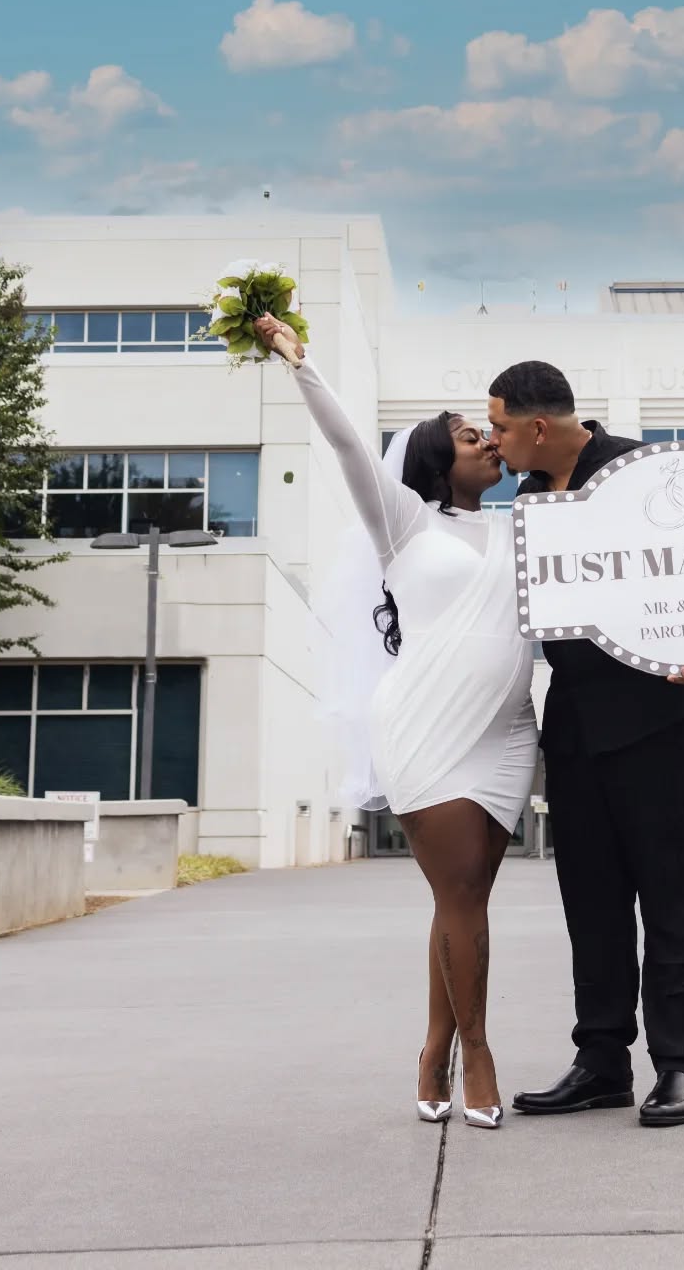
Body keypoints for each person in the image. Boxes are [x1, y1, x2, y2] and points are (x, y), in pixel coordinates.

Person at [253, 314, 536, 1131]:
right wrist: (300, 365)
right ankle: (475, 1053)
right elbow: (345, 445)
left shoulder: (524, 529)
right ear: (432, 460)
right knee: (460, 900)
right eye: (469, 434)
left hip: (511, 732)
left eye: (489, 432)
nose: (488, 440)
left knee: (463, 901)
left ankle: (432, 1043)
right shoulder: (405, 522)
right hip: (428, 730)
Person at [487, 360, 684, 1129]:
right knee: (589, 902)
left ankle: (680, 1066)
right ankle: (602, 1061)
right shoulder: (527, 497)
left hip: (658, 714)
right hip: (578, 723)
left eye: (499, 427)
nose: (495, 443)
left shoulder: (641, 470)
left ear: (538, 427)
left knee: (669, 897)